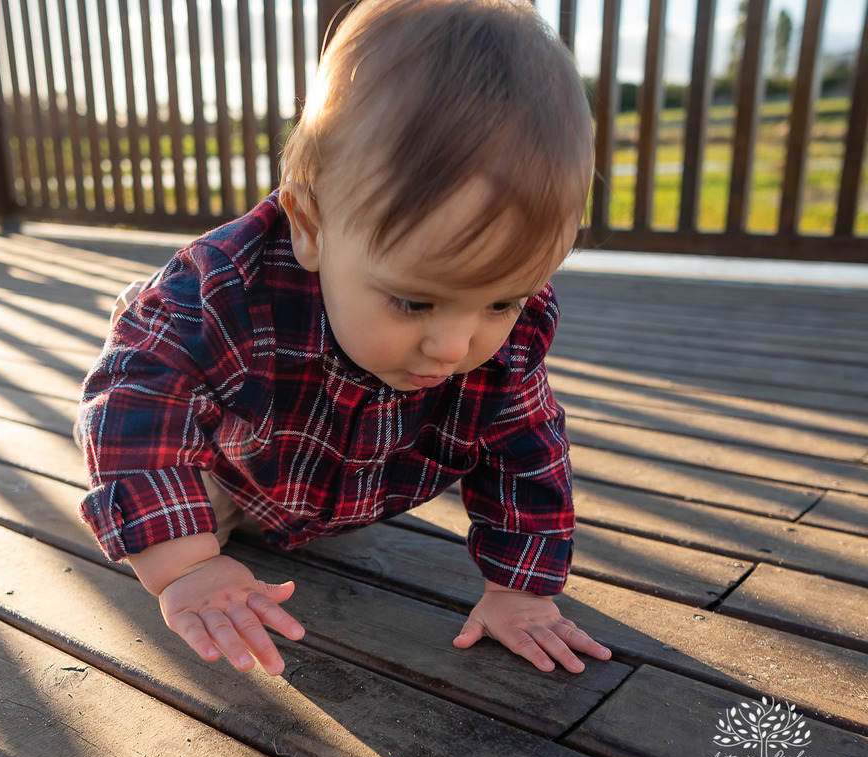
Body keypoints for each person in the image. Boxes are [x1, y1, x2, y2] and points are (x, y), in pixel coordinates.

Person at [76, 0, 613, 678]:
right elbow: (138, 401)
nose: (454, 344)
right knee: (176, 502)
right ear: (310, 224)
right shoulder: (222, 293)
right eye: (414, 300)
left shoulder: (498, 343)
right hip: (227, 465)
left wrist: (522, 591)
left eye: (501, 299)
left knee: (504, 405)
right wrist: (189, 567)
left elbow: (528, 453)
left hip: (348, 473)